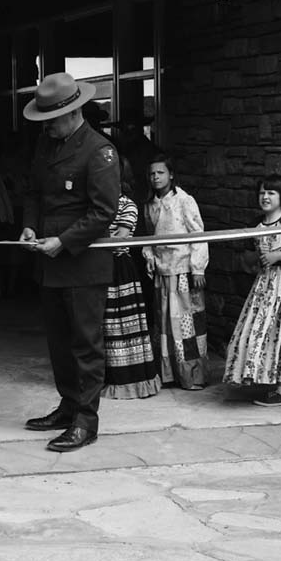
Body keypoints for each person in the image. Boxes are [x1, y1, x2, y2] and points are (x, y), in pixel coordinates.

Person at [20, 73, 120, 452]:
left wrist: (63, 241)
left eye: (51, 120)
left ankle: (86, 420)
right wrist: (30, 226)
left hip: (82, 263)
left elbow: (103, 211)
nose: (45, 127)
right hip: (50, 263)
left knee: (85, 344)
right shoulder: (47, 146)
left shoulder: (99, 151)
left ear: (74, 112)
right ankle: (68, 404)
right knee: (59, 342)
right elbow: (33, 192)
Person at [222, 176, 281, 405]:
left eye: (271, 193)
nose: (265, 197)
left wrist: (278, 255)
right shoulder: (256, 224)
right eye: (262, 192)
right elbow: (249, 257)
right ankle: (268, 381)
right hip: (266, 284)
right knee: (262, 330)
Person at [143, 154, 210, 389]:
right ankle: (169, 374)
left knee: (186, 325)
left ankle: (191, 376)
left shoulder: (184, 201)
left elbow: (198, 234)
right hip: (162, 272)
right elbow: (149, 237)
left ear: (170, 174)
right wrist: (149, 256)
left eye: (160, 172)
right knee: (165, 325)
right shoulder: (150, 204)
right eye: (152, 173)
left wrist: (198, 268)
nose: (156, 177)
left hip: (183, 271)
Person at [101, 161, 161, 399]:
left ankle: (127, 380)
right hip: (95, 267)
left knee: (122, 326)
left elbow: (120, 238)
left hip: (118, 269)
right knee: (101, 326)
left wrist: (88, 235)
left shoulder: (127, 205)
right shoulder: (95, 203)